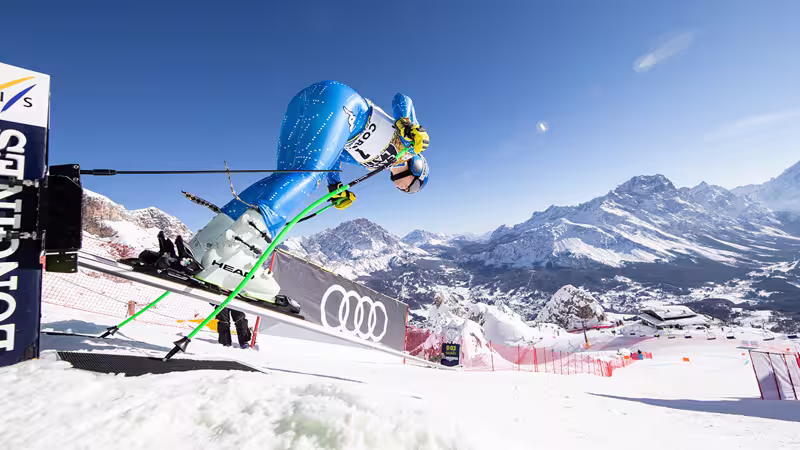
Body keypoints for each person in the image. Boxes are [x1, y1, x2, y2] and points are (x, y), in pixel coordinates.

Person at [151, 81, 431, 304]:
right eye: (414, 186)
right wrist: (409, 123)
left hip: (309, 104)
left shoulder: (371, 162)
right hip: (341, 103)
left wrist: (334, 184)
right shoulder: (410, 146)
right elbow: (402, 98)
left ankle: (204, 245)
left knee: (286, 178)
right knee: (306, 177)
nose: (407, 189)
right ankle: (234, 254)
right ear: (418, 169)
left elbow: (334, 154)